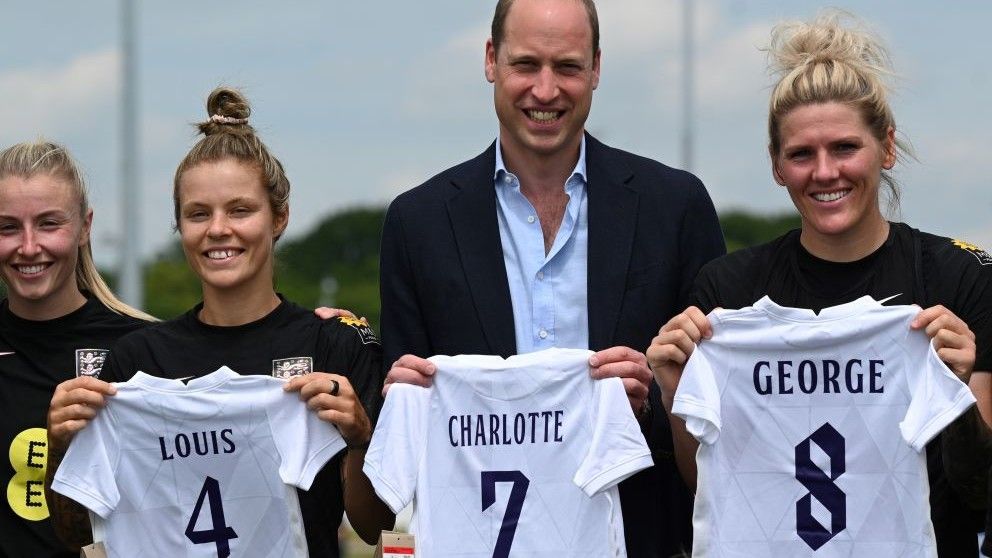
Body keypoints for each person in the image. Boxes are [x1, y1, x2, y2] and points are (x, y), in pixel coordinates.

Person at [379, 0, 725, 554]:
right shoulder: (417, 223)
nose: (545, 91)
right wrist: (402, 392)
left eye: (566, 66)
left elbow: (716, 415)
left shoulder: (675, 206)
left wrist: (654, 398)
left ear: (595, 69)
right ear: (491, 60)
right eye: (526, 65)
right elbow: (400, 432)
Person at [647, 11, 992, 556]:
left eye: (845, 148)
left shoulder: (956, 278)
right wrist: (673, 391)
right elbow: (712, 490)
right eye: (801, 154)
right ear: (777, 166)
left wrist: (958, 393)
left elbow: (981, 488)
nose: (825, 172)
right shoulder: (729, 292)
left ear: (887, 147)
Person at [46, 87, 394, 556]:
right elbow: (78, 534)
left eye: (240, 210)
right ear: (180, 227)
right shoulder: (137, 360)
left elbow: (374, 528)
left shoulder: (333, 346)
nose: (217, 230)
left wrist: (360, 439)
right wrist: (62, 444)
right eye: (197, 214)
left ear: (279, 217)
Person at [0, 140, 154, 557]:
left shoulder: (142, 349)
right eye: (8, 227)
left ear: (85, 227)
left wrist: (340, 334)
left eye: (49, 224)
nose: (28, 247)